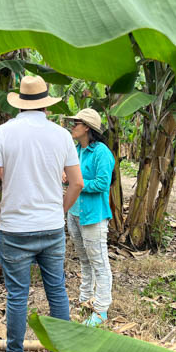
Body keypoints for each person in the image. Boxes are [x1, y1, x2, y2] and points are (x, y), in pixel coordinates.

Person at [0, 75, 84, 352]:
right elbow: (76, 183)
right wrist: (59, 211)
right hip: (51, 227)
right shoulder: (61, 135)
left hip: (15, 229)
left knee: (17, 296)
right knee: (57, 292)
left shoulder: (3, 133)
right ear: (46, 105)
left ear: (20, 104)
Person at [65, 108, 115, 327]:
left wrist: (77, 183)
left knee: (99, 262)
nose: (72, 127)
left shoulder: (101, 152)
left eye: (75, 123)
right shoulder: (77, 150)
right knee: (84, 259)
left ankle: (102, 309)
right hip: (74, 212)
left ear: (86, 127)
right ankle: (85, 299)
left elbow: (103, 184)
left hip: (94, 214)